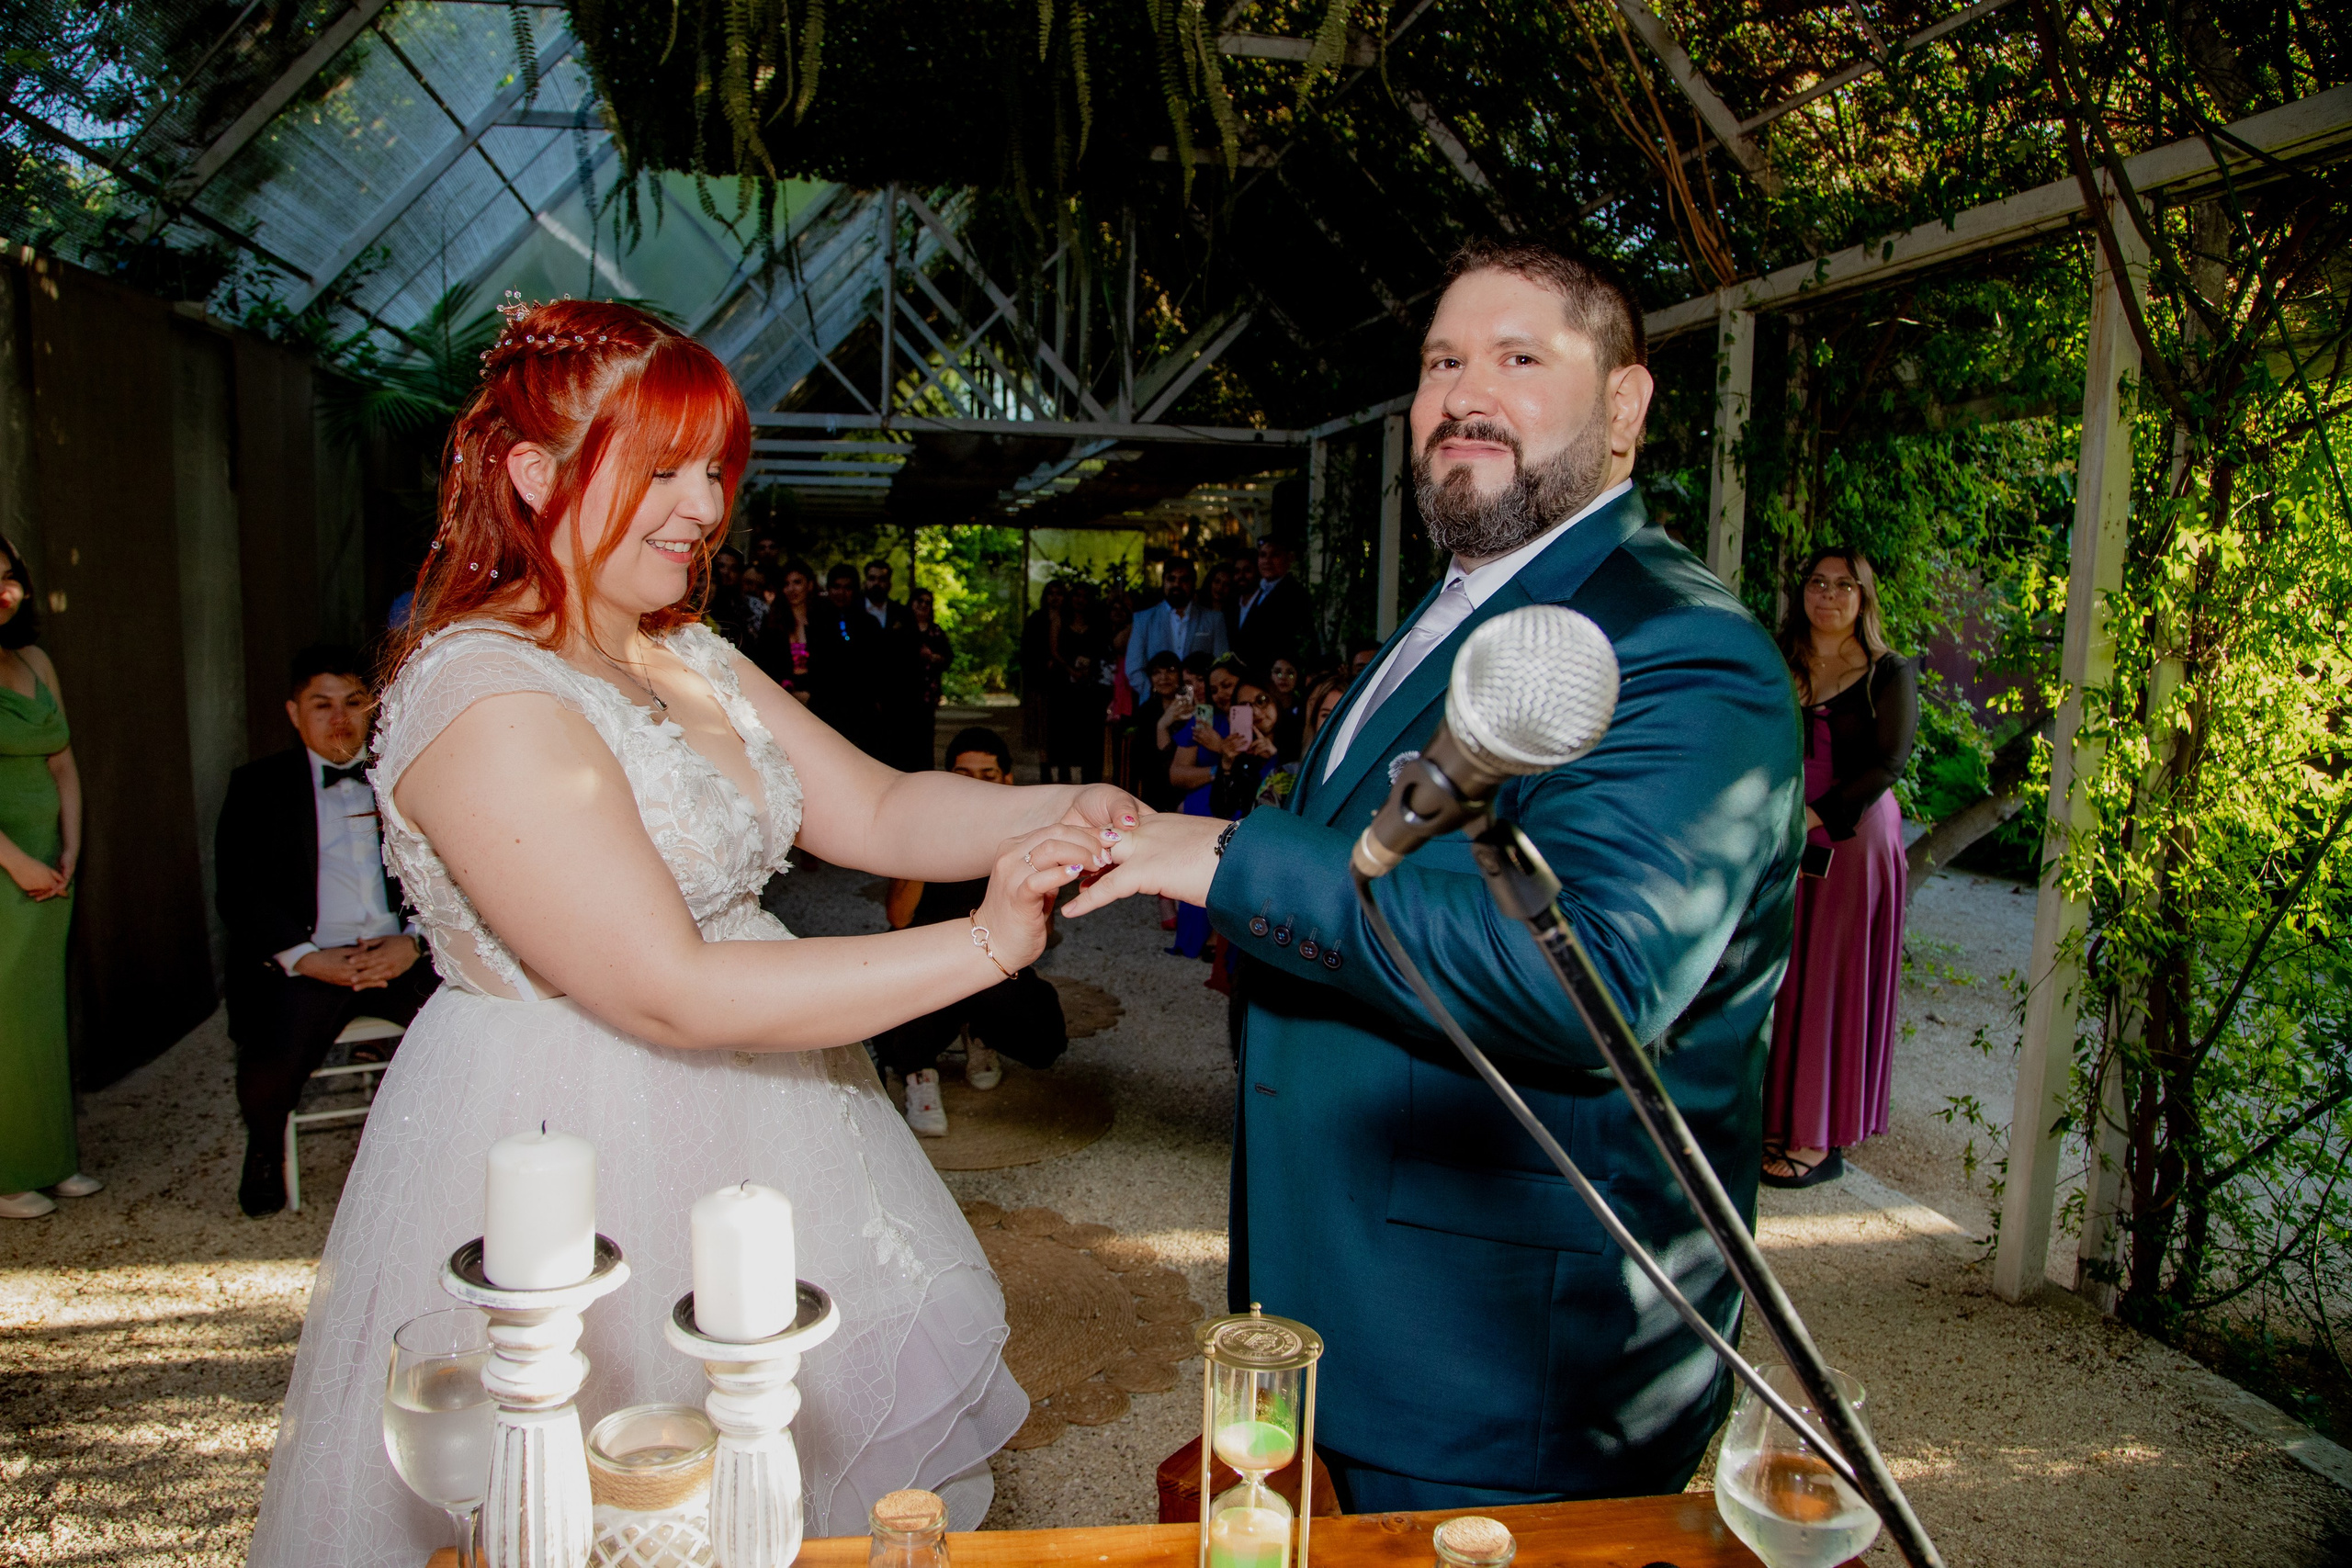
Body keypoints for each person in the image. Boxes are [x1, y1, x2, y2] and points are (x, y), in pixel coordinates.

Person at [248, 299, 1140, 1566]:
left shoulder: (686, 651)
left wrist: (1070, 807)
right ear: (533, 473)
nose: (704, 506)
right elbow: (667, 988)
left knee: (771, 1479)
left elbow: (881, 807)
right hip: (572, 1129)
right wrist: (986, 945)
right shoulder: (479, 690)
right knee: (587, 1491)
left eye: (714, 469)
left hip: (769, 1110)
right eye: (662, 470)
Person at [1069, 239, 1803, 1511]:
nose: (1465, 395)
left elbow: (1589, 983)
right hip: (1352, 1289)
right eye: (1441, 363)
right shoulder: (1460, 606)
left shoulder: (1681, 648)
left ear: (1624, 405)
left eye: (1519, 359)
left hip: (1502, 1356)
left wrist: (1233, 852)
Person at [215, 645, 441, 1218]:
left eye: (353, 702)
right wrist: (304, 957)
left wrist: (414, 938)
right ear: (294, 713)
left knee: (469, 1029)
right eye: (322, 705)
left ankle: (448, 1156)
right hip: (312, 959)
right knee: (271, 1057)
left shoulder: (409, 775)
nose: (340, 718)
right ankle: (265, 1148)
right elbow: (239, 893)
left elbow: (454, 874)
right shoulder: (257, 787)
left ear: (373, 708)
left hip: (399, 954)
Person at [1763, 547, 1917, 1189]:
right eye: (1818, 583)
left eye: (1844, 585)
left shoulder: (1888, 672)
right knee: (1785, 972)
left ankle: (1816, 1138)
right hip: (1783, 827)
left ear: (1864, 597)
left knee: (1830, 976)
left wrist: (1814, 815)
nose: (1828, 595)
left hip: (1853, 839)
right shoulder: (1781, 658)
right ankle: (1775, 1119)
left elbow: (1889, 764)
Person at [878, 728, 1069, 1136]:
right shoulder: (924, 826)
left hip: (991, 959)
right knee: (895, 1026)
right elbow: (898, 916)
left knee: (1044, 1038)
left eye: (988, 775)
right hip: (927, 958)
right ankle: (918, 1070)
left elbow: (1040, 935)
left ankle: (979, 1034)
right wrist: (928, 842)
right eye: (963, 775)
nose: (976, 786)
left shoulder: (1028, 837)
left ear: (1007, 780)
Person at [0, 533, 96, 1221]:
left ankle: (51, 1158)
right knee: (6, 1016)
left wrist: (70, 847)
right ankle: (9, 1175)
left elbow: (62, 761)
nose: (3, 590)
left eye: (9, 576)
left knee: (40, 1015)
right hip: (7, 866)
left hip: (48, 867)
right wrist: (17, 862)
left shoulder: (34, 660)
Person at [1124, 558, 1228, 694]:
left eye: (1184, 580)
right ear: (1163, 582)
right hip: (1156, 701)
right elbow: (1134, 668)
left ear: (1193, 583)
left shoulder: (1214, 619)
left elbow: (1221, 665)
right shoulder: (1143, 619)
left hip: (1200, 699)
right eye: (1171, 579)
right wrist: (1158, 695)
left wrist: (1201, 693)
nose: (1177, 585)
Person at [1231, 535, 1317, 675]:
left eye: (1275, 555)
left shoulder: (1295, 594)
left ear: (1289, 558)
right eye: (1263, 555)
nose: (1267, 561)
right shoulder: (1261, 591)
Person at [751, 558, 819, 699]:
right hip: (781, 695)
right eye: (786, 584)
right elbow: (764, 664)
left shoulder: (822, 621)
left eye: (797, 582)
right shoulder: (772, 623)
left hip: (817, 696)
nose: (791, 589)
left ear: (810, 585)